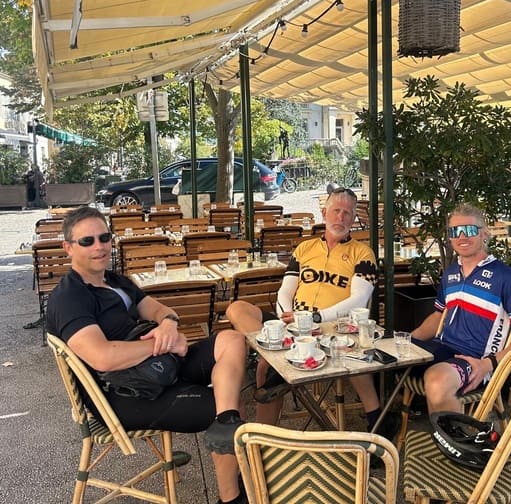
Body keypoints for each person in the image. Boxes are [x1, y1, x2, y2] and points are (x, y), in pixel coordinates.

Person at [46, 206, 248, 504]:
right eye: (87, 241)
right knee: (219, 404)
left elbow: (158, 309)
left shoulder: (115, 281)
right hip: (123, 395)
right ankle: (231, 497)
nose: (99, 246)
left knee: (232, 339)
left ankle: (227, 423)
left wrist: (168, 324)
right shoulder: (70, 298)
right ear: (68, 248)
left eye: (104, 237)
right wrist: (165, 344)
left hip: (159, 369)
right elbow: (103, 357)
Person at [225, 187, 392, 435]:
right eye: (336, 211)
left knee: (271, 367)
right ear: (324, 212)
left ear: (354, 217)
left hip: (331, 325)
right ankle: (275, 351)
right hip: (293, 323)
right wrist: (286, 319)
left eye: (348, 213)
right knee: (236, 308)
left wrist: (315, 318)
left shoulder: (363, 253)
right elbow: (286, 290)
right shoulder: (305, 248)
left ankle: (377, 421)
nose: (341, 218)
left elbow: (359, 299)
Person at [410, 204, 511, 415]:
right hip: (441, 349)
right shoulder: (451, 273)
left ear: (484, 233)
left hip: (476, 360)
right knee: (379, 355)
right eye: (455, 231)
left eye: (469, 230)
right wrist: (406, 344)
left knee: (437, 380)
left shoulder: (506, 278)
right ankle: (381, 425)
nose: (462, 236)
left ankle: (456, 445)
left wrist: (488, 364)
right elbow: (437, 316)